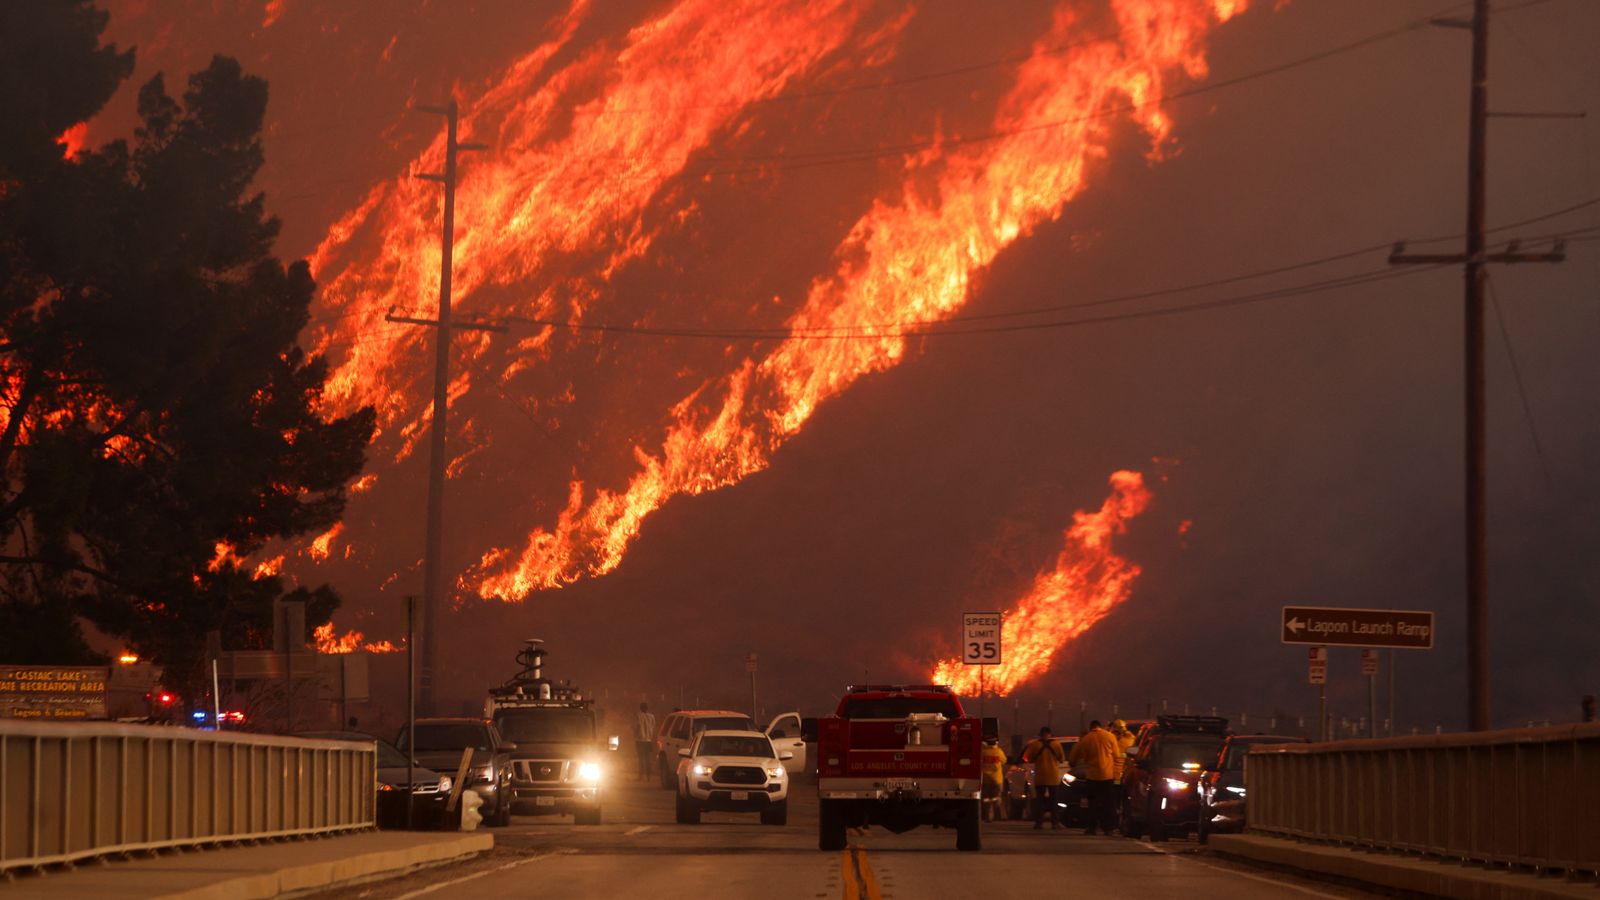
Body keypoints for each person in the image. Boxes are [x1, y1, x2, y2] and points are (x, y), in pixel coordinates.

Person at [1068, 719, 1120, 835]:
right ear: (1100, 726)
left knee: (1092, 803)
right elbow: (1117, 755)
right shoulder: (1110, 736)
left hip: (1092, 776)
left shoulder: (1086, 739)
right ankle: (1109, 828)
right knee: (1108, 803)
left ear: (1090, 727)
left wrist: (1074, 763)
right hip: (1107, 775)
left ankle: (1092, 827)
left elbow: (1073, 758)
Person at [1021, 726, 1066, 829]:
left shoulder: (1035, 745)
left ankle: (1039, 822)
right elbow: (1062, 759)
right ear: (1050, 734)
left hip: (1040, 777)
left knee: (1039, 801)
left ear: (1040, 734)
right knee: (1054, 800)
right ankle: (1055, 823)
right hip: (1053, 776)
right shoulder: (1056, 744)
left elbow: (1030, 759)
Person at [980, 736, 1007, 821]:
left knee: (986, 798)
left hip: (985, 778)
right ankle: (998, 815)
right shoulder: (998, 752)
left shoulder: (982, 752)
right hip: (996, 779)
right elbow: (1004, 761)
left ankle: (987, 815)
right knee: (996, 797)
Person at [1109, 718, 1136, 783]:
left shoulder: (1128, 740)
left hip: (1117, 772)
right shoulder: (1131, 739)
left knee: (1116, 786)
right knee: (1117, 787)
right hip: (1119, 772)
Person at [635, 702, 657, 781]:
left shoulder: (638, 716)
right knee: (648, 759)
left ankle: (641, 776)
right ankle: (648, 777)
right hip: (648, 740)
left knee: (641, 759)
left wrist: (635, 734)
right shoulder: (652, 717)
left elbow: (636, 727)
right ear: (647, 708)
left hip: (640, 740)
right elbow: (653, 727)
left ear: (640, 708)